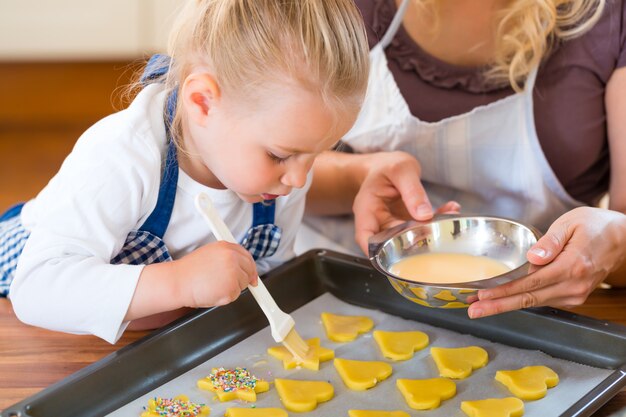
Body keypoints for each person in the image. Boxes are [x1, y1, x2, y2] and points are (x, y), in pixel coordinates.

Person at [0, 0, 369, 343]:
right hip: (41, 322)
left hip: (153, 339)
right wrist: (180, 282)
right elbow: (36, 291)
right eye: (278, 155)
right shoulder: (123, 156)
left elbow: (271, 279)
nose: (300, 180)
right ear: (203, 103)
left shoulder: (281, 180)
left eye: (318, 153)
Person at [301, 0, 626, 318]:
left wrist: (616, 242)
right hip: (333, 290)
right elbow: (264, 172)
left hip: (530, 315)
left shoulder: (612, 17)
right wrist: (357, 179)